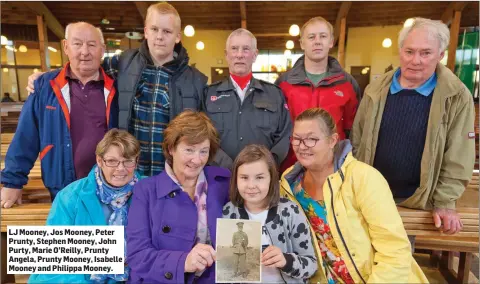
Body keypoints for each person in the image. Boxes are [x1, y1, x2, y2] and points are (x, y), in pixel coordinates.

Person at [26, 2, 207, 177]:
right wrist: (46, 77)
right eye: (154, 29)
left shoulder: (196, 80)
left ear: (177, 36)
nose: (159, 36)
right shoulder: (123, 63)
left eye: (167, 31)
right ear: (145, 32)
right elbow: (84, 67)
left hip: (171, 173)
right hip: (128, 172)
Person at [351, 18, 475, 235]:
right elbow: (357, 139)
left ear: (440, 55)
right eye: (409, 51)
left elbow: (459, 154)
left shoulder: (456, 96)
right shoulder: (375, 89)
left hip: (415, 201)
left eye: (426, 53)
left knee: (398, 262)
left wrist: (445, 202)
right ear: (400, 51)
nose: (415, 60)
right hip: (370, 196)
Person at [280, 108, 428, 283]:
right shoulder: (289, 183)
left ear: (332, 140)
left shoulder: (363, 178)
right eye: (297, 139)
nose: (302, 146)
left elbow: (395, 251)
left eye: (312, 139)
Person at [1, 22, 118, 207]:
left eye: (92, 45)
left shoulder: (117, 88)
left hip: (110, 191)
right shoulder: (45, 87)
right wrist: (12, 182)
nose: (85, 51)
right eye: (77, 44)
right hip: (62, 190)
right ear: (65, 47)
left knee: (106, 236)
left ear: (102, 49)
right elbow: (26, 137)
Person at [126, 110, 230, 283]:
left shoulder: (224, 183)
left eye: (203, 151)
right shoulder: (145, 190)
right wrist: (183, 262)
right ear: (171, 148)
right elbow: (137, 255)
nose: (197, 160)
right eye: (189, 150)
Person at [28, 129, 140, 283]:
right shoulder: (69, 197)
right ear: (99, 161)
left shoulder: (151, 192)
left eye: (128, 161)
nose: (120, 168)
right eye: (112, 161)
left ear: (136, 161)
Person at [275, 16, 361, 173]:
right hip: (292, 168)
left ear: (331, 42)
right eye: (311, 37)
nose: (317, 41)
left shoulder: (347, 84)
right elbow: (277, 129)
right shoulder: (284, 84)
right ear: (302, 43)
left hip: (334, 168)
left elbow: (353, 131)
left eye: (323, 36)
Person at [223, 144, 317, 283]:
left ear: (271, 178)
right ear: (235, 179)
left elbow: (311, 265)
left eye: (259, 177)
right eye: (244, 177)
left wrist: (286, 261)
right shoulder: (228, 212)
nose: (251, 185)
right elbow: (227, 270)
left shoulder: (290, 211)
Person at [203, 28, 292, 169]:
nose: (239, 55)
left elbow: (285, 135)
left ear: (255, 55)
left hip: (262, 178)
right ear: (226, 55)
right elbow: (202, 135)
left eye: (245, 49)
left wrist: (266, 166)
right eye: (234, 49)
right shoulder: (208, 94)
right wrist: (225, 165)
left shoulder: (274, 94)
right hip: (219, 176)